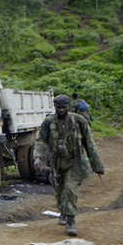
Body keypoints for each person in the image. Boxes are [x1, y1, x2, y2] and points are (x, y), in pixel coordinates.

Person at [33, 94, 104, 236]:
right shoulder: (49, 122)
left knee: (70, 189)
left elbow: (89, 143)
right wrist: (38, 158)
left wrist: (97, 165)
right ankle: (63, 212)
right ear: (55, 107)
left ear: (68, 107)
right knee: (60, 191)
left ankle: (71, 221)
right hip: (56, 163)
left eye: (63, 107)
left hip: (75, 162)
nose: (60, 110)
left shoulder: (79, 121)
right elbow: (41, 141)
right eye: (58, 107)